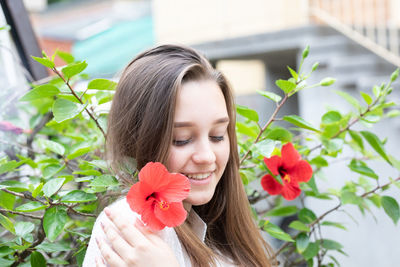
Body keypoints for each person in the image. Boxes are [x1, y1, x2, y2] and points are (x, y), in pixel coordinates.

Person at [82, 44, 275, 267]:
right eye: (181, 139)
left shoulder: (213, 228)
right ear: (137, 140)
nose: (207, 156)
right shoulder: (130, 230)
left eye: (218, 135)